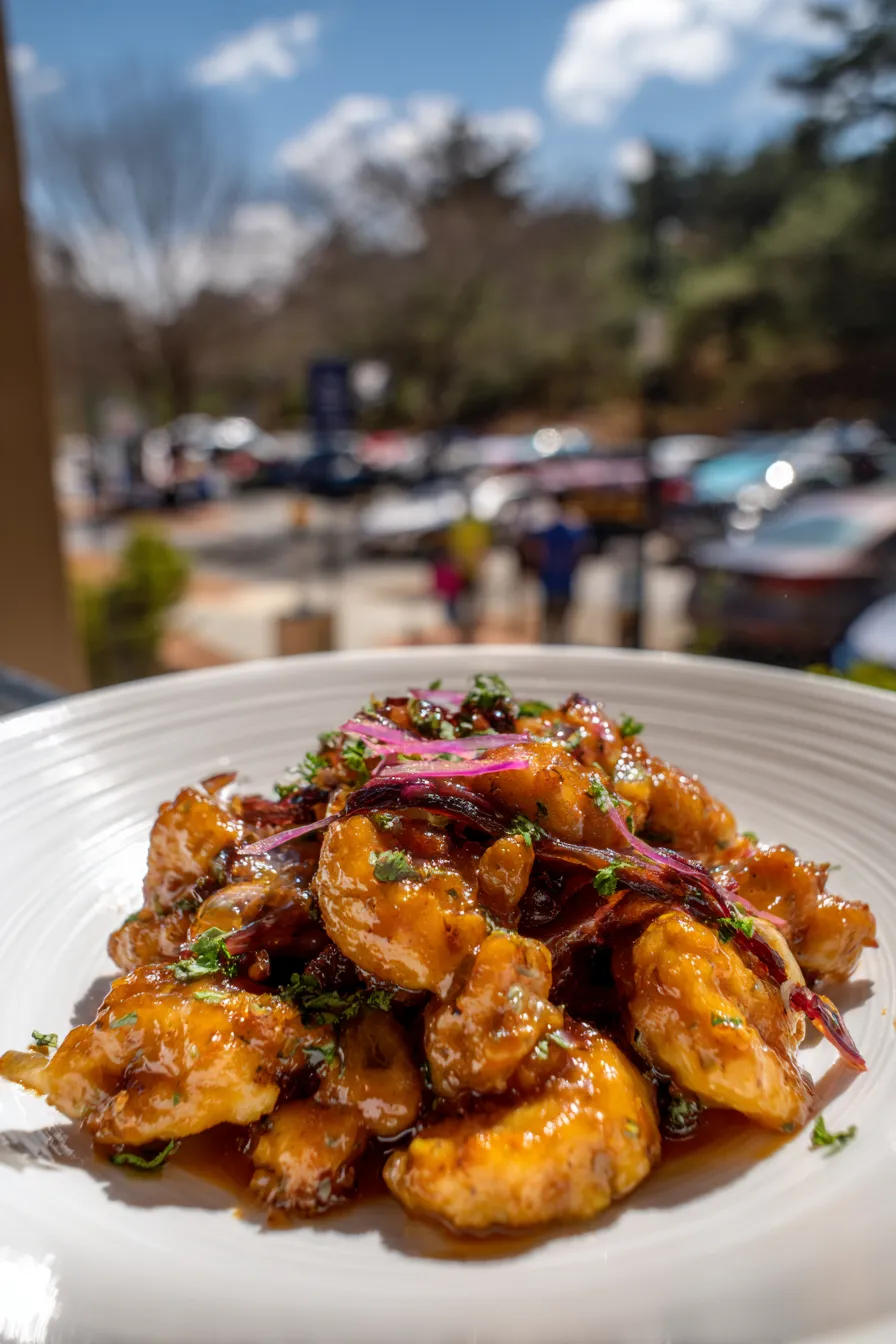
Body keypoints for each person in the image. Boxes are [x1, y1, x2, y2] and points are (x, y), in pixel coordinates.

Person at [530, 495, 588, 644]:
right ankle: (557, 640)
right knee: (558, 615)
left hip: (555, 579)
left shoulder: (553, 531)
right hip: (558, 579)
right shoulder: (568, 531)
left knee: (551, 615)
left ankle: (551, 640)